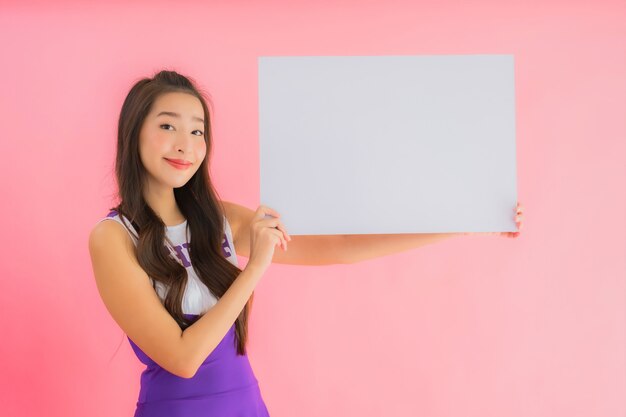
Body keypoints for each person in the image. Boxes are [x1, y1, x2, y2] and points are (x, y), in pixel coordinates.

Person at [88, 69, 524, 417]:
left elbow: (334, 244)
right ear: (134, 133)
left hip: (247, 407)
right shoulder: (112, 238)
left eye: (198, 131)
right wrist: (255, 267)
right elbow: (183, 359)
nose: (186, 144)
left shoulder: (214, 218)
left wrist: (463, 221)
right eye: (168, 126)